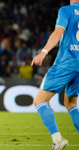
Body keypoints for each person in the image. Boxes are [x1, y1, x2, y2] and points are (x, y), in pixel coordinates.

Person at [31, 1, 79, 149]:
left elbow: (58, 32)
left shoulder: (66, 10)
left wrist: (44, 52)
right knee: (70, 103)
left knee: (40, 101)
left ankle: (57, 140)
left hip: (66, 63)